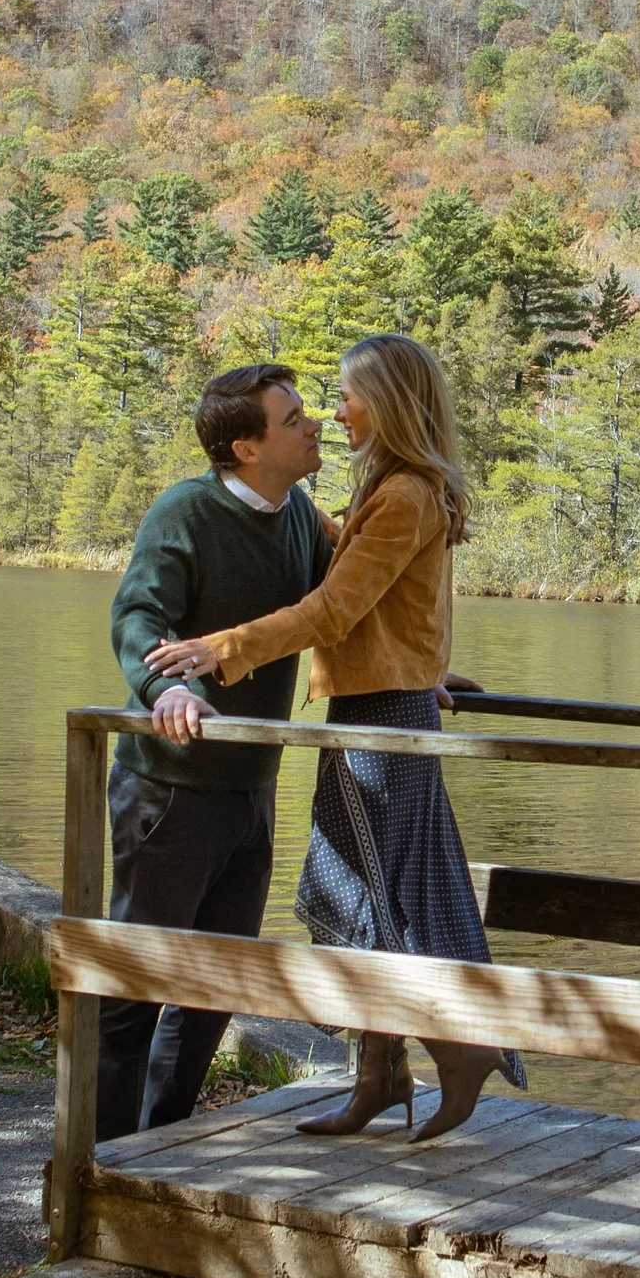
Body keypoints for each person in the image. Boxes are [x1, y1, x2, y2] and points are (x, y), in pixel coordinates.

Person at [144, 329, 520, 1145]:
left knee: (364, 896)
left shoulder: (407, 494)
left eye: (345, 396)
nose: (334, 412)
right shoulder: (396, 488)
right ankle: (378, 1077)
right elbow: (383, 594)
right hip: (384, 704)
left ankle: (457, 1048)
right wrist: (427, 665)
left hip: (383, 719)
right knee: (371, 895)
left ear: (386, 404)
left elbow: (335, 609)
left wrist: (221, 649)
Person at [98, 362, 330, 1140]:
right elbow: (137, 617)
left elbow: (342, 610)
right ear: (245, 446)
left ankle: (164, 1143)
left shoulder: (301, 515)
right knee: (135, 984)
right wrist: (163, 691)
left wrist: (417, 671)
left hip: (251, 789)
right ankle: (101, 1155)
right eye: (293, 418)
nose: (313, 425)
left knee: (216, 986)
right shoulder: (184, 514)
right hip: (167, 791)